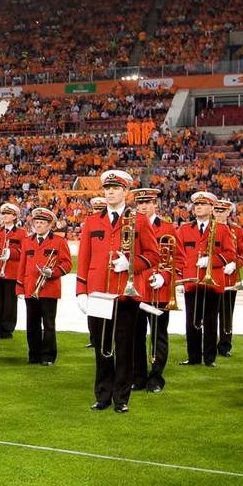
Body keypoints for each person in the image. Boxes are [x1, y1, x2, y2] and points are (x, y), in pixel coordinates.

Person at [76, 169, 162, 414]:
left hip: (126, 293)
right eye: (107, 188)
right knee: (101, 346)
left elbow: (154, 256)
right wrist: (81, 290)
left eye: (115, 188)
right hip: (99, 293)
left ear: (126, 192)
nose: (110, 192)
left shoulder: (140, 220)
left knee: (124, 348)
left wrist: (131, 264)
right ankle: (102, 395)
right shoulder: (92, 222)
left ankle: (121, 398)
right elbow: (84, 258)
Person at [176, 191, 236, 368]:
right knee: (191, 321)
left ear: (211, 208)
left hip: (213, 281)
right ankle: (193, 357)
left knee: (210, 321)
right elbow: (178, 256)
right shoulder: (184, 229)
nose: (198, 207)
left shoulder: (223, 229)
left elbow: (230, 254)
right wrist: (180, 278)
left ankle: (209, 358)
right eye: (196, 205)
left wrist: (211, 261)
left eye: (202, 204)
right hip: (192, 282)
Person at [132, 187, 180, 393]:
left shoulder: (168, 228)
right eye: (140, 203)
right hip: (138, 289)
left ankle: (156, 376)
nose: (143, 206)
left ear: (155, 204)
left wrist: (164, 277)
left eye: (147, 203)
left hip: (160, 290)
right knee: (136, 334)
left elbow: (178, 259)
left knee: (159, 334)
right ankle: (138, 376)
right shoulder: (130, 225)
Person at [18, 207, 72, 366]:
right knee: (31, 323)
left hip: (49, 289)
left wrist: (53, 272)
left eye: (42, 223)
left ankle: (48, 356)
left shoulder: (59, 241)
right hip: (30, 288)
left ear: (50, 225)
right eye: (36, 222)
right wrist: (20, 288)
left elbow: (67, 264)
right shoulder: (27, 241)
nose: (39, 225)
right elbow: (22, 266)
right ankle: (33, 355)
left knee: (48, 324)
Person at [214, 199, 243, 358]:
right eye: (217, 210)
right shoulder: (208, 228)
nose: (219, 213)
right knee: (209, 314)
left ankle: (225, 345)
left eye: (222, 211)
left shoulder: (236, 231)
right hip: (212, 276)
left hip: (228, 278)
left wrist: (235, 264)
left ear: (228, 212)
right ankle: (208, 344)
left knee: (226, 313)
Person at [0, 202, 26, 340]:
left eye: (7, 214)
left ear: (14, 216)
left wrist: (11, 253)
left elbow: (24, 251)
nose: (4, 216)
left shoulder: (21, 233)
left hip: (11, 272)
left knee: (10, 303)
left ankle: (7, 329)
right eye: (3, 213)